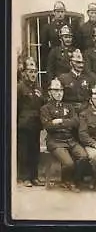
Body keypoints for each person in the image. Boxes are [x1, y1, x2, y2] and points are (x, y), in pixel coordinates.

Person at [40, 78, 88, 192]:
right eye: (55, 90)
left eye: (61, 90)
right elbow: (48, 126)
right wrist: (66, 122)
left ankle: (73, 180)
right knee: (69, 163)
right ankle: (67, 181)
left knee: (84, 157)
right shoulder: (45, 108)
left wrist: (59, 121)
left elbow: (75, 122)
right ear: (50, 92)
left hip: (70, 139)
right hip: (55, 141)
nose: (59, 93)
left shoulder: (69, 107)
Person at [17, 57, 45, 187]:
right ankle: (25, 177)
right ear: (24, 73)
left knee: (35, 151)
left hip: (36, 125)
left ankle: (34, 176)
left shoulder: (38, 88)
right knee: (24, 152)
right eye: (30, 71)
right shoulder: (20, 88)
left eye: (35, 71)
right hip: (24, 125)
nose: (33, 74)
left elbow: (42, 105)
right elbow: (16, 108)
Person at [59, 49, 95, 114]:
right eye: (78, 62)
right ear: (71, 63)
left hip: (85, 111)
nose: (81, 65)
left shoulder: (88, 79)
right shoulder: (63, 78)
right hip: (69, 111)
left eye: (82, 63)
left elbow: (91, 97)